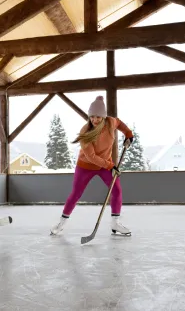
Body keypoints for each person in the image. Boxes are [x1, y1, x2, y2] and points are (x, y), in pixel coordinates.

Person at [50, 95, 133, 236]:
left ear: (104, 117)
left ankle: (115, 223)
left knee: (117, 190)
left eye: (98, 117)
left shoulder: (111, 122)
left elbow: (119, 123)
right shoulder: (85, 131)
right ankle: (61, 224)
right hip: (86, 166)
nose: (94, 120)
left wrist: (128, 133)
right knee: (76, 193)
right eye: (92, 117)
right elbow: (91, 157)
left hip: (105, 166)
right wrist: (110, 166)